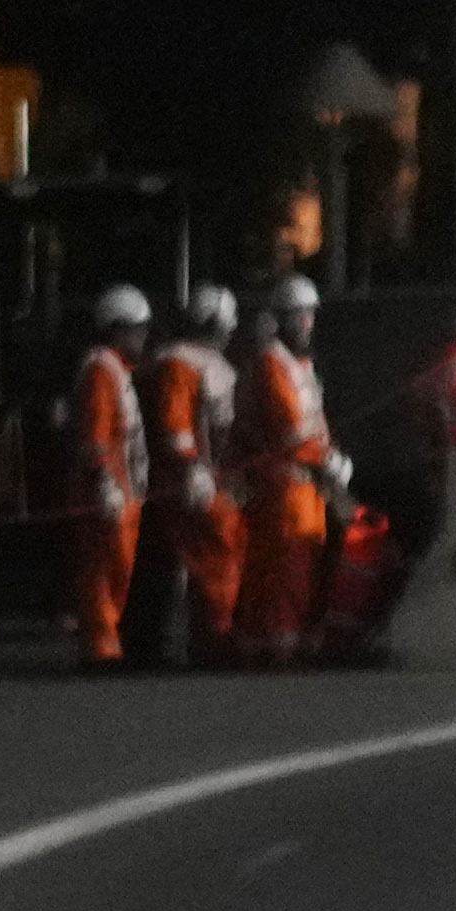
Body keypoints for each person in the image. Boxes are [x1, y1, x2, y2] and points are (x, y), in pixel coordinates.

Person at [240, 277, 350, 668]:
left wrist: (331, 453)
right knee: (288, 568)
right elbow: (290, 429)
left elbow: (314, 422)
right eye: (300, 315)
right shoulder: (273, 363)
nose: (307, 322)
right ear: (283, 319)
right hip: (286, 481)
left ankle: (275, 642)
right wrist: (326, 458)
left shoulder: (299, 365)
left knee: (298, 563)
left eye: (310, 314)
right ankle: (280, 648)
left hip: (306, 482)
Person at [155, 285, 245, 668]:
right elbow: (175, 425)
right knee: (198, 560)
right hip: (190, 481)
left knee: (219, 555)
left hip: (214, 477)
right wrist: (190, 467)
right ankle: (201, 639)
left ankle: (212, 634)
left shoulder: (213, 364)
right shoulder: (180, 362)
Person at [67, 288, 156, 669]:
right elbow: (96, 434)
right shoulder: (101, 370)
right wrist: (104, 482)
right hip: (105, 491)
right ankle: (100, 647)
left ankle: (107, 640)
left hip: (123, 489)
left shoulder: (117, 371)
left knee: (116, 567)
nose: (142, 337)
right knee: (103, 570)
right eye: (136, 330)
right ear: (116, 330)